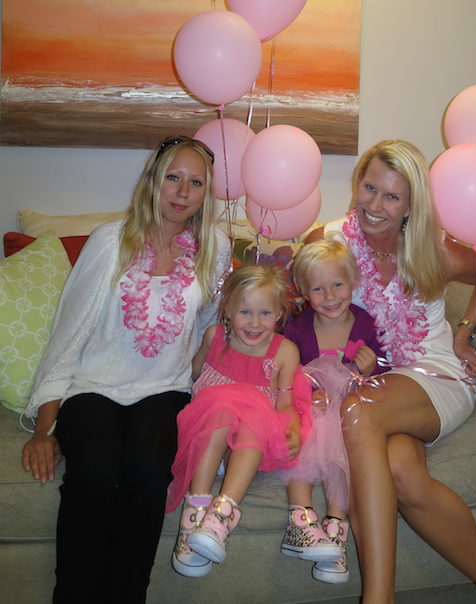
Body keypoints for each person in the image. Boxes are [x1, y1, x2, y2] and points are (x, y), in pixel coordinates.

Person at [305, 140, 476, 604]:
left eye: (392, 196)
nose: (374, 205)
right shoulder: (327, 243)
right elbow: (301, 312)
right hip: (370, 379)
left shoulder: (436, 248)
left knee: (360, 410)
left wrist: (465, 330)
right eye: (369, 188)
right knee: (400, 472)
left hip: (433, 374)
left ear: (412, 204)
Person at [21, 135, 231, 604]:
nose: (182, 191)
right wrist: (44, 428)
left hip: (167, 389)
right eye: (172, 177)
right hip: (93, 387)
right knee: (94, 470)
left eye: (195, 182)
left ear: (205, 194)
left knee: (148, 472)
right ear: (153, 181)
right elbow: (68, 336)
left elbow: (212, 325)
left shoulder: (213, 246)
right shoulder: (110, 240)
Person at [167, 264, 307, 578]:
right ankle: (197, 509)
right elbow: (193, 375)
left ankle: (222, 513)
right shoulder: (215, 337)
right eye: (245, 312)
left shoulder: (285, 352)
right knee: (220, 405)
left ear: (280, 313)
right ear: (227, 310)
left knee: (256, 414)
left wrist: (293, 425)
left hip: (247, 445)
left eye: (266, 314)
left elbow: (284, 405)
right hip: (208, 434)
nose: (255, 324)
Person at [278, 237, 386, 585]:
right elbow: (283, 371)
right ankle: (301, 519)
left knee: (342, 442)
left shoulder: (368, 326)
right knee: (306, 434)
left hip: (351, 416)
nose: (330, 297)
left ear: (353, 282)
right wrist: (307, 395)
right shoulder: (296, 329)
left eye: (337, 285)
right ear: (304, 293)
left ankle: (335, 530)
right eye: (318, 289)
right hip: (311, 411)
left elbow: (387, 379)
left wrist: (372, 369)